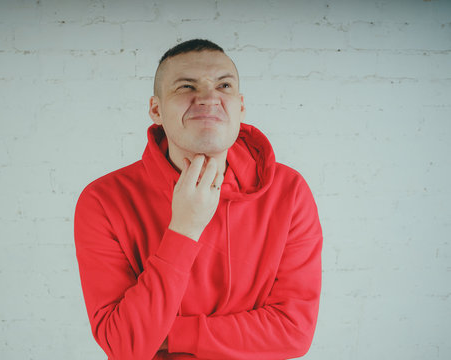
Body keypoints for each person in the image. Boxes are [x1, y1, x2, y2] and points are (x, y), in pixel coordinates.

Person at [74, 39, 323, 360]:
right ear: (156, 110)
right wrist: (184, 230)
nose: (208, 97)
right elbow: (123, 345)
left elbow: (294, 333)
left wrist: (167, 334)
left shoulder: (289, 191)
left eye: (224, 85)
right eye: (185, 86)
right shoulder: (102, 200)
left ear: (240, 106)